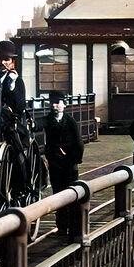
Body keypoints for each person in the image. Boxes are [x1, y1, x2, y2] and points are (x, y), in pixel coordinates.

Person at [44, 91, 84, 236]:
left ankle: (74, 228)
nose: (55, 105)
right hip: (55, 164)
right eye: (53, 102)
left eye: (59, 102)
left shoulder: (70, 121)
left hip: (69, 163)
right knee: (58, 194)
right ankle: (61, 226)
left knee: (72, 195)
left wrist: (74, 159)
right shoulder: (48, 120)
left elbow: (79, 143)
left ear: (64, 105)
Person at [0, 39, 26, 116]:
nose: (2, 62)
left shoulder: (18, 81)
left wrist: (12, 86)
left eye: (6, 59)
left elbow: (20, 108)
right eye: (0, 58)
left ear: (12, 62)